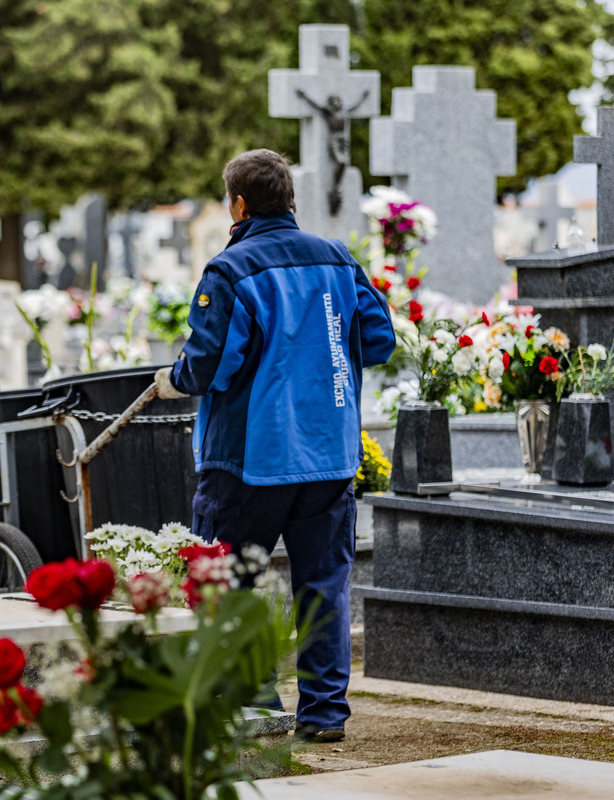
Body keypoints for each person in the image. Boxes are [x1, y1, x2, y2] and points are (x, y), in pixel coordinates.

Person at [154, 149, 396, 742]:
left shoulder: (230, 270)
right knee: (322, 587)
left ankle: (256, 703)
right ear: (291, 200)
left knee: (229, 584)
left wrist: (174, 379)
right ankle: (323, 715)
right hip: (330, 455)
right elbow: (380, 338)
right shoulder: (338, 260)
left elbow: (208, 365)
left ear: (237, 204)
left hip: (249, 461)